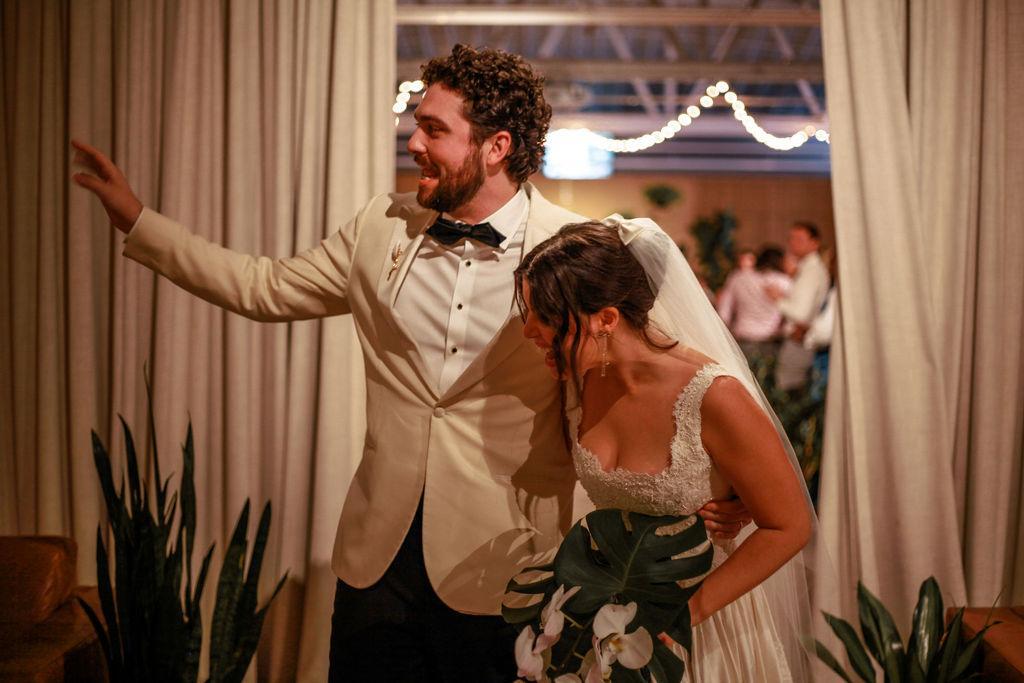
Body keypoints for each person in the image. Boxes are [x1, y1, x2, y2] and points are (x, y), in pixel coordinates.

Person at [71, 45, 750, 682]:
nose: (414, 143)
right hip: (377, 562)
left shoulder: (571, 248)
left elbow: (649, 370)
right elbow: (264, 287)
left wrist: (735, 480)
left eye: (432, 129)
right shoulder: (379, 227)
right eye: (416, 126)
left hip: (510, 564)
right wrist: (139, 221)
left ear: (495, 147)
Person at [515, 217, 817, 681]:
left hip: (704, 625)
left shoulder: (713, 395)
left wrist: (680, 618)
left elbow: (790, 526)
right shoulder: (581, 379)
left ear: (607, 319)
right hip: (609, 625)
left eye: (546, 317)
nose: (529, 331)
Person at [769, 222, 831, 392]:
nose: (793, 243)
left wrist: (777, 299)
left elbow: (800, 314)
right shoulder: (807, 268)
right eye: (791, 239)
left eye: (799, 239)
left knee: (786, 392)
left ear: (814, 243)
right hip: (800, 341)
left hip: (799, 341)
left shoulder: (811, 271)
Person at [715, 245, 792, 362]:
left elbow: (724, 312)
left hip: (742, 338)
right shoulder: (785, 282)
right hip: (770, 340)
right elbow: (791, 316)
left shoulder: (738, 277)